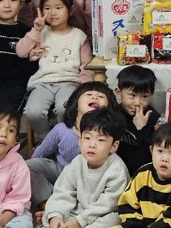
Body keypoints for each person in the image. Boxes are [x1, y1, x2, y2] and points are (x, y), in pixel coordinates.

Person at [34, 108, 130, 228]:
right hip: (81, 210)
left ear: (113, 146)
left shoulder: (117, 169)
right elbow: (63, 192)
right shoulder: (77, 162)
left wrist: (80, 222)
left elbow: (108, 205)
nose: (92, 144)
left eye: (101, 140)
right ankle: (61, 226)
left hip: (103, 213)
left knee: (112, 222)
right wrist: (55, 216)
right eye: (87, 138)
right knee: (54, 212)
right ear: (80, 141)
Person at [15, 0, 91, 140]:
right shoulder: (40, 32)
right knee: (33, 111)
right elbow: (21, 52)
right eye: (47, 8)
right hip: (42, 83)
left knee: (65, 109)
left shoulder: (79, 36)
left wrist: (84, 88)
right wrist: (36, 30)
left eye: (58, 7)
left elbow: (87, 65)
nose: (52, 13)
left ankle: (64, 140)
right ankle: (47, 140)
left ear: (71, 10)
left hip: (70, 82)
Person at [28, 81, 115, 209]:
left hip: (88, 178)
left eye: (101, 96)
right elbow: (39, 154)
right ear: (76, 103)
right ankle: (47, 203)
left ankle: (72, 204)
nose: (95, 97)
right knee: (29, 166)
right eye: (89, 94)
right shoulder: (61, 130)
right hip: (60, 171)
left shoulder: (108, 133)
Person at [115, 65, 158, 177]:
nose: (138, 102)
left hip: (142, 174)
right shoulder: (112, 114)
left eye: (145, 96)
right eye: (132, 95)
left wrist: (141, 129)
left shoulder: (153, 118)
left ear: (151, 95)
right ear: (118, 92)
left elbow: (153, 154)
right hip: (115, 172)